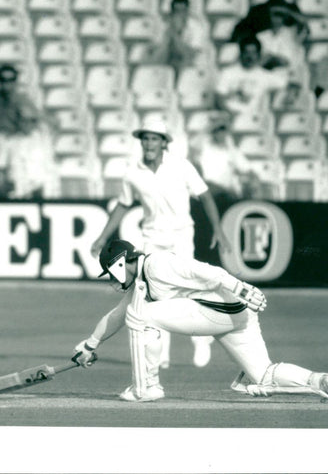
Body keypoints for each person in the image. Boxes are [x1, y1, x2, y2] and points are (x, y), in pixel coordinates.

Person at [72, 238, 328, 403]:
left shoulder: (158, 264)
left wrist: (242, 287)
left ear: (122, 263)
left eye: (111, 272)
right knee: (263, 375)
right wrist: (90, 344)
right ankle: (321, 380)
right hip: (236, 313)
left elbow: (207, 271)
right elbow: (117, 315)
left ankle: (145, 388)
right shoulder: (142, 282)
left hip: (225, 306)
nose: (112, 278)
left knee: (142, 316)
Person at [90, 118, 230, 368]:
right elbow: (124, 204)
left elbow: (205, 195)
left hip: (181, 236)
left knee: (190, 289)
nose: (149, 143)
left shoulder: (181, 166)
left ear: (164, 142)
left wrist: (218, 229)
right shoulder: (133, 172)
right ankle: (161, 354)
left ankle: (202, 341)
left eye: (154, 138)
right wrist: (102, 237)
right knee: (154, 294)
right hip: (152, 238)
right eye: (145, 138)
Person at [0, 64, 59, 199]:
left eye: (11, 80)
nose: (7, 84)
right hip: (7, 140)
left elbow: (36, 119)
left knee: (31, 177)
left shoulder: (22, 99)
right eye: (3, 80)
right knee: (2, 174)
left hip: (22, 142)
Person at [189, 112, 259, 208]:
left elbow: (248, 170)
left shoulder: (232, 151)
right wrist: (213, 125)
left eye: (223, 130)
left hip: (225, 192)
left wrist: (253, 180)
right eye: (217, 130)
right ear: (213, 132)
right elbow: (193, 144)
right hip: (207, 190)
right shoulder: (205, 147)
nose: (221, 133)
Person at [214, 35, 295, 118]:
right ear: (241, 54)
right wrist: (230, 113)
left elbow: (293, 85)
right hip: (228, 117)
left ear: (259, 55)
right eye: (246, 52)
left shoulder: (265, 75)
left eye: (253, 53)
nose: (250, 56)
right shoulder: (228, 73)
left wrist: (290, 96)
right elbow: (219, 98)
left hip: (252, 119)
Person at [231, 0, 308, 43]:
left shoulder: (291, 8)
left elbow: (304, 26)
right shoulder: (258, 10)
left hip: (287, 45)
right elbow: (242, 29)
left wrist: (286, 12)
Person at [149, 0, 212, 72]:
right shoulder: (164, 27)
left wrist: (174, 35)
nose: (180, 14)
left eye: (183, 11)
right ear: (172, 12)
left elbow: (190, 55)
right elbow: (157, 56)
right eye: (177, 11)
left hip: (191, 68)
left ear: (187, 11)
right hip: (168, 64)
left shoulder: (197, 28)